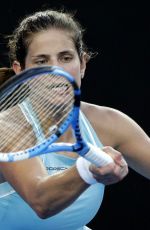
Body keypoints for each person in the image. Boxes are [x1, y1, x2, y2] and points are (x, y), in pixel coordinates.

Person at [0, 8, 148, 230]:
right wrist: (87, 170)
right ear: (20, 71)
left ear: (83, 64)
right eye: (42, 61)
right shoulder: (7, 126)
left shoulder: (110, 123)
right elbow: (42, 201)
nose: (56, 70)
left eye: (66, 57)